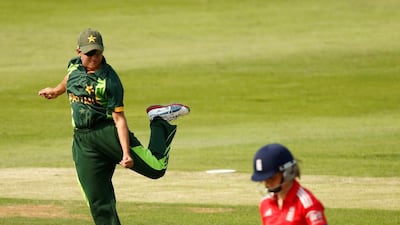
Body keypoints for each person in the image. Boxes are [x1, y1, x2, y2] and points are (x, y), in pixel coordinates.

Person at [38, 28, 190, 225]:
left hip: (108, 134)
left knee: (156, 168)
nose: (94, 58)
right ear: (79, 52)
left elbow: (119, 120)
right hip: (83, 141)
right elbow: (69, 79)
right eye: (89, 53)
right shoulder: (74, 66)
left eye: (97, 53)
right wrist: (56, 91)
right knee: (98, 202)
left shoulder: (110, 81)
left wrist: (126, 153)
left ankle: (159, 121)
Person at [251, 143, 328, 225]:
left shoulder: (307, 204)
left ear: (288, 172)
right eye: (264, 180)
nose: (267, 184)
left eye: (272, 178)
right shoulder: (265, 203)